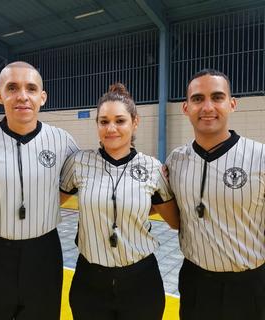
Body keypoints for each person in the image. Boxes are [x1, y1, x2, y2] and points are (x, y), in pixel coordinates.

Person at [0, 61, 79, 320]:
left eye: (31, 88)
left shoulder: (63, 141)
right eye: (12, 88)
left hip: (43, 256)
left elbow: (82, 179)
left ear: (42, 97)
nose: (22, 96)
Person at [60, 83, 180, 320]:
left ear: (135, 122)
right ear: (97, 125)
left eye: (120, 120)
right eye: (104, 121)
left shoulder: (152, 168)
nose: (111, 128)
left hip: (141, 281)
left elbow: (175, 221)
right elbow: (48, 203)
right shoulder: (78, 163)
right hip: (90, 281)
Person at [165, 69, 265, 320]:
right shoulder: (175, 161)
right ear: (186, 108)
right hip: (196, 282)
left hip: (250, 285)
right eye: (198, 99)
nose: (207, 106)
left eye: (217, 97)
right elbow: (176, 219)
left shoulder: (260, 157)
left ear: (231, 104)